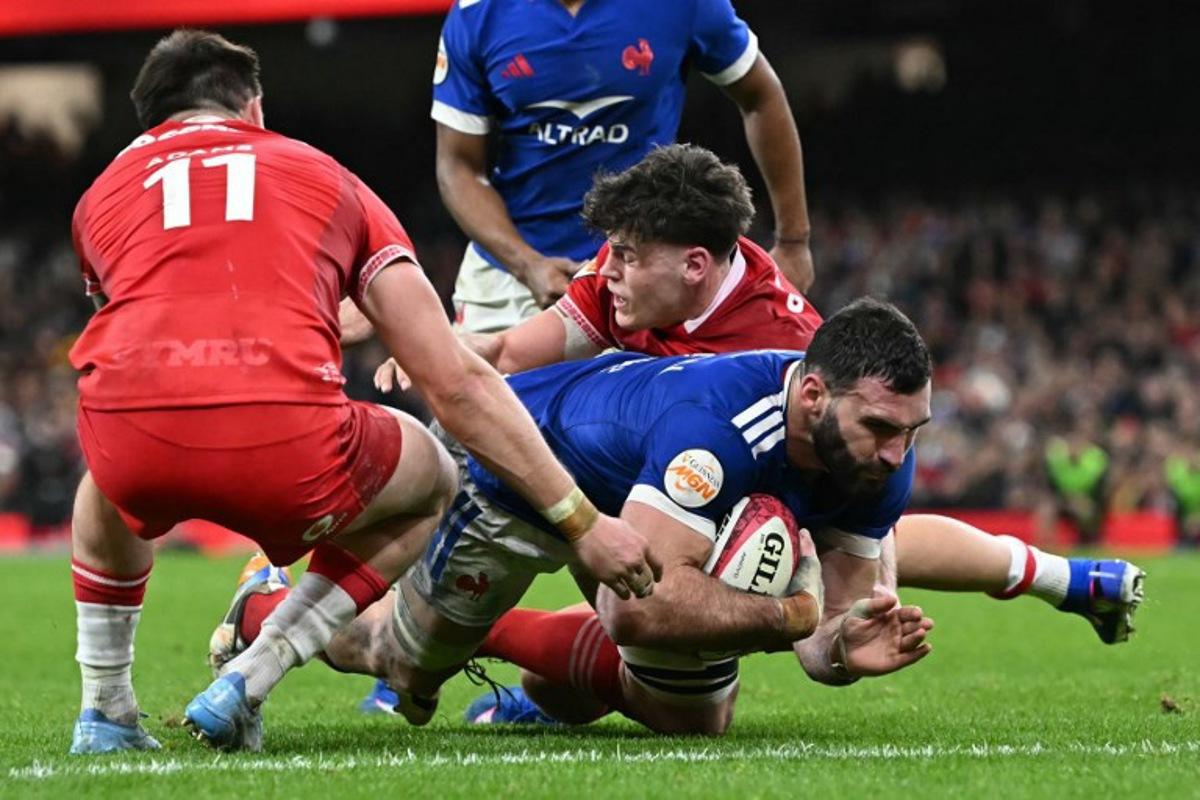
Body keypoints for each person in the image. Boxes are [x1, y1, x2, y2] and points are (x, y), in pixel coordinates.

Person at [363, 144, 1145, 724]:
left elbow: (838, 555)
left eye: (631, 256)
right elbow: (509, 352)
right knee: (643, 611)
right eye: (620, 254)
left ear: (695, 266)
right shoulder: (631, 277)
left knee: (698, 703)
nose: (611, 272)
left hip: (726, 492)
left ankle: (495, 647)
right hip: (609, 461)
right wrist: (424, 343)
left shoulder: (780, 353)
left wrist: (828, 635)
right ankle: (454, 632)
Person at [66, 29, 659, 756]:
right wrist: (581, 523)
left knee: (105, 481)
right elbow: (455, 380)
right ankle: (254, 674)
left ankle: (104, 709)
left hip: (139, 442)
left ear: (151, 120)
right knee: (433, 474)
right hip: (288, 450)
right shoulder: (326, 176)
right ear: (252, 107)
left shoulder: (100, 196)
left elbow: (143, 336)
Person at [217, 299, 937, 736]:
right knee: (402, 665)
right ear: (813, 396)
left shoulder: (879, 461)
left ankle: (524, 671)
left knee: (694, 720)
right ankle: (265, 605)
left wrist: (842, 652)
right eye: (880, 427)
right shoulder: (716, 432)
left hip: (640, 515)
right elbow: (639, 616)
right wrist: (793, 619)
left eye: (913, 430)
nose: (898, 453)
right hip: (518, 477)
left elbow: (828, 625)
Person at [429, 0, 813, 334]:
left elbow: (760, 95)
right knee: (465, 410)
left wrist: (793, 241)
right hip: (508, 278)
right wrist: (526, 263)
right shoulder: (476, 13)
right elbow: (458, 167)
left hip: (647, 272)